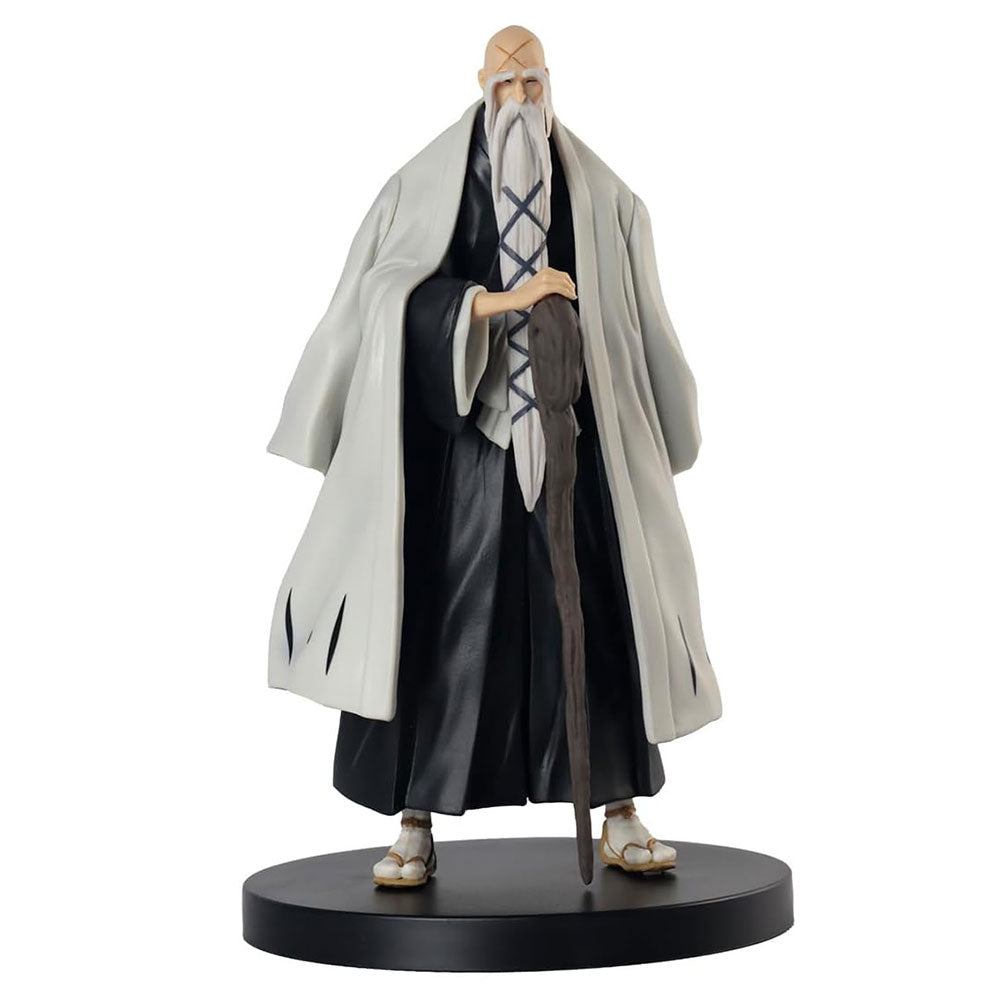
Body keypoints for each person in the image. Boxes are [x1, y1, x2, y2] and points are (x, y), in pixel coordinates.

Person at [267, 26, 722, 887]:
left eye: (532, 83)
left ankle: (620, 810)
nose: (519, 100)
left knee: (597, 622)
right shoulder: (423, 187)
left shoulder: (603, 196)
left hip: (575, 446)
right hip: (469, 452)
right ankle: (414, 821)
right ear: (482, 85)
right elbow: (389, 298)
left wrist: (658, 420)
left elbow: (637, 321)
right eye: (506, 84)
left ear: (551, 86)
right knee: (441, 623)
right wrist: (498, 304)